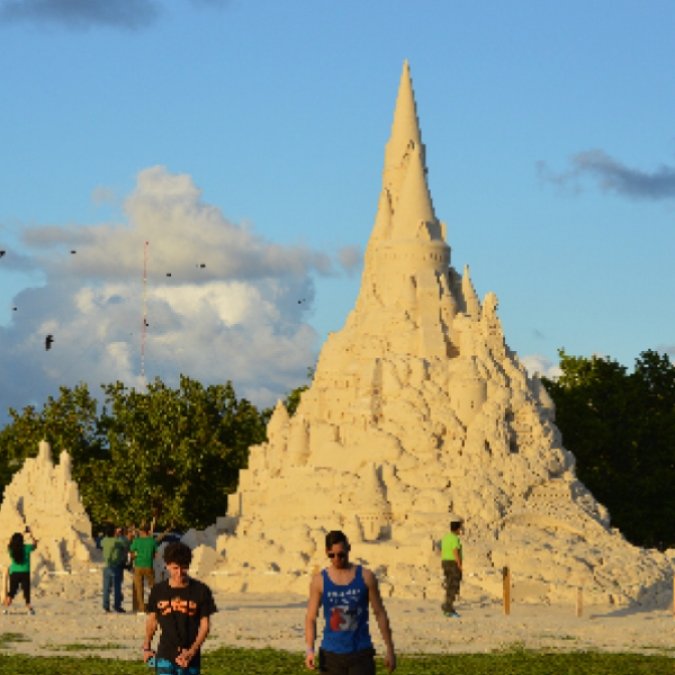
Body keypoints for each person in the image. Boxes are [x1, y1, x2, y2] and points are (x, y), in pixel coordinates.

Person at [305, 530, 396, 674]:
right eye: (332, 555)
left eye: (341, 554)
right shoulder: (319, 581)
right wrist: (310, 649)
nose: (337, 559)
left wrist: (390, 649)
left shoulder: (366, 577)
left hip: (360, 654)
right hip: (330, 656)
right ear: (327, 552)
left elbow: (380, 613)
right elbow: (310, 618)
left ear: (349, 548)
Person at [143, 542, 217, 675]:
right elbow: (152, 621)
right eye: (175, 568)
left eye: (184, 568)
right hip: (165, 655)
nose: (179, 573)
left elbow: (205, 625)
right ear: (167, 566)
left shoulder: (201, 591)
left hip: (191, 657)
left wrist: (192, 651)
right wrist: (147, 646)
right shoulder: (158, 591)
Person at [3, 528, 38, 614]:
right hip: (25, 572)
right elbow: (35, 545)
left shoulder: (11, 549)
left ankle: (6, 607)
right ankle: (29, 607)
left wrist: (21, 534)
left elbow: (12, 543)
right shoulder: (26, 548)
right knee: (26, 590)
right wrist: (30, 535)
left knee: (12, 591)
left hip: (14, 572)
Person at [131, 524, 158, 613]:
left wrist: (134, 558)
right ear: (148, 532)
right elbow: (156, 555)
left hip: (138, 566)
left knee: (139, 588)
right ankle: (154, 606)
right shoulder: (152, 541)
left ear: (141, 532)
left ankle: (141, 608)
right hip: (148, 566)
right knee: (153, 587)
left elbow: (132, 552)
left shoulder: (136, 541)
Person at [101, 524, 128, 613]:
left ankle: (106, 606)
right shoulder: (117, 541)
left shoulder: (104, 541)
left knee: (106, 588)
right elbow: (126, 544)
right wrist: (120, 535)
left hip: (106, 566)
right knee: (117, 588)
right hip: (116, 566)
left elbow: (100, 543)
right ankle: (117, 606)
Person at [440, 519, 463, 618]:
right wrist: (459, 564)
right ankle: (448, 607)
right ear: (457, 529)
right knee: (453, 585)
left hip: (445, 562)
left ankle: (447, 606)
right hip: (452, 563)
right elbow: (455, 551)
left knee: (449, 583)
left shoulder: (445, 538)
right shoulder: (454, 538)